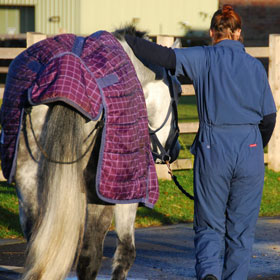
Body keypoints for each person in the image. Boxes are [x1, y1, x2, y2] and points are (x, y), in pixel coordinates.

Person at [125, 4, 276, 280]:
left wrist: (126, 39)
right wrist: (255, 145)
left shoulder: (204, 57)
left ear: (212, 33)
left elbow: (163, 56)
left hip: (214, 149)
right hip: (251, 150)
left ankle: (208, 274)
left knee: (209, 225)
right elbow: (269, 117)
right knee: (241, 231)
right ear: (239, 33)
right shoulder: (255, 66)